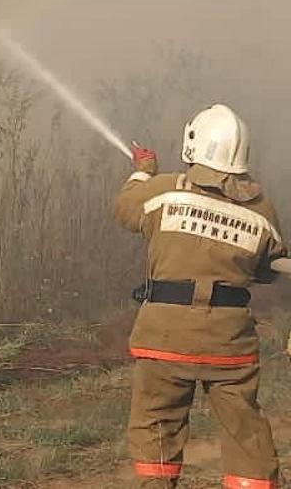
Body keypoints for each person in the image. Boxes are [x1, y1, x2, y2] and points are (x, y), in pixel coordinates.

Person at [116, 104, 285, 489]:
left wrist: (143, 170)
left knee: (156, 427)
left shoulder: (165, 191)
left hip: (165, 339)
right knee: (246, 431)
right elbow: (267, 268)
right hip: (229, 345)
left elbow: (125, 209)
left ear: (194, 144)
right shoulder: (263, 211)